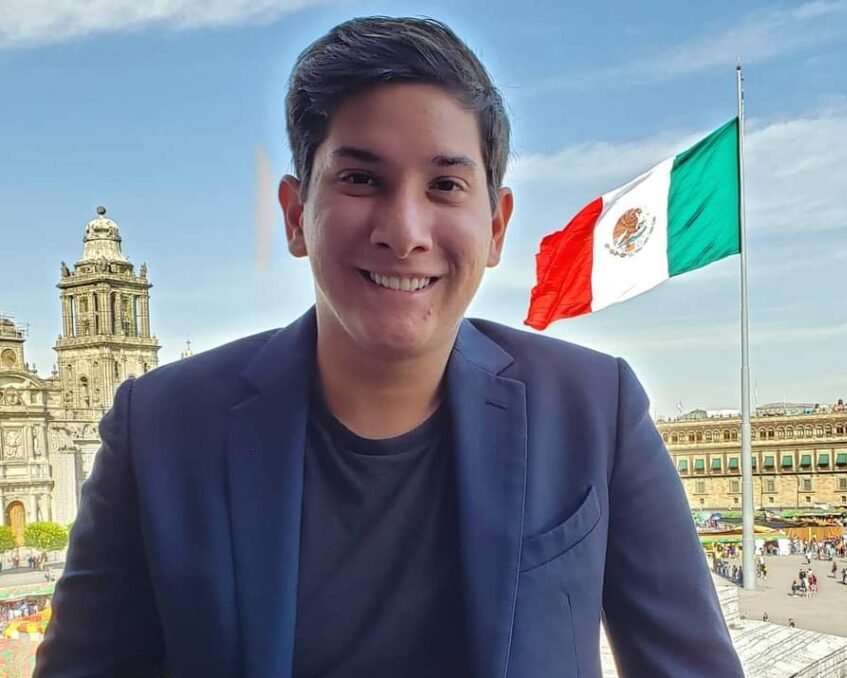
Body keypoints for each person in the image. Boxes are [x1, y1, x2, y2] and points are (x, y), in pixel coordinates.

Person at [33, 16, 744, 678]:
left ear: (496, 227)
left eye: (445, 185)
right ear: (295, 216)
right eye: (361, 179)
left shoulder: (594, 410)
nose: (405, 231)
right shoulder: (161, 428)